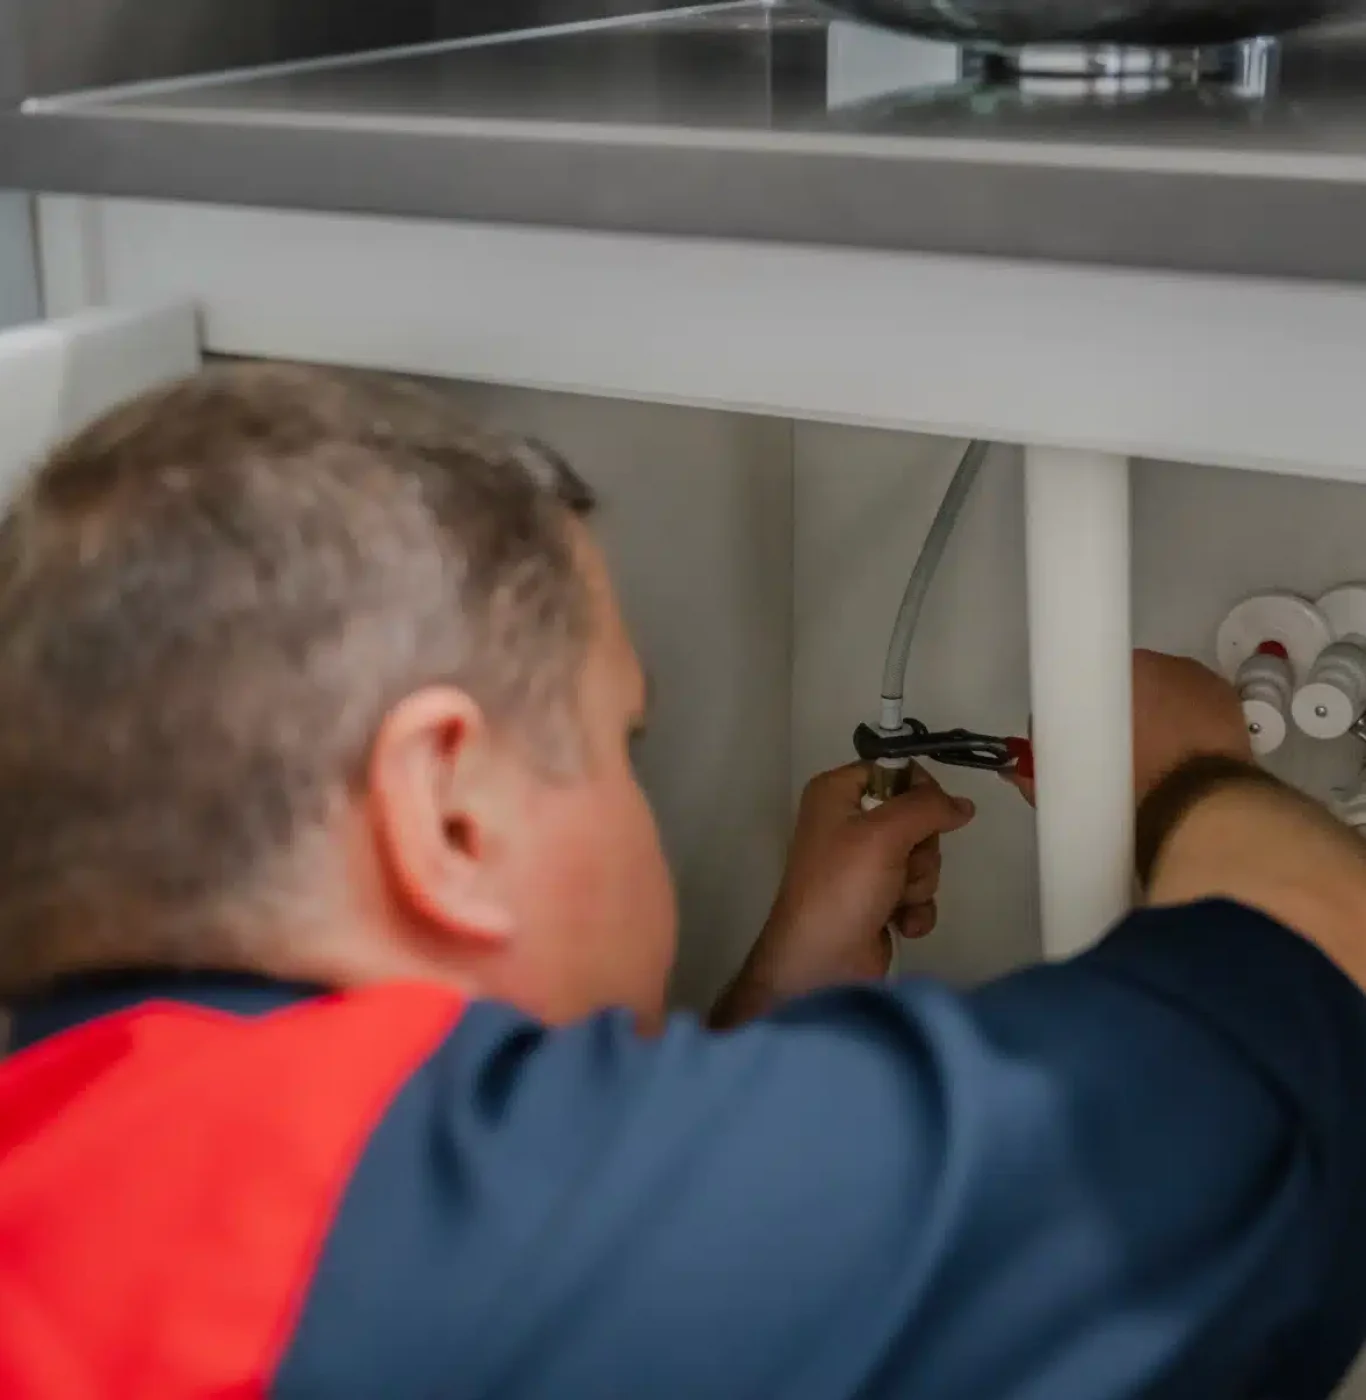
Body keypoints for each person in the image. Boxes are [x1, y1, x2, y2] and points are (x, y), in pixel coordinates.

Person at [0, 364, 1364, 1400]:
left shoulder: (84, 1163)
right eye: (617, 746)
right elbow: (1308, 1031)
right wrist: (1187, 771)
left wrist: (773, 1004)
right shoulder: (372, 1243)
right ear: (447, 816)